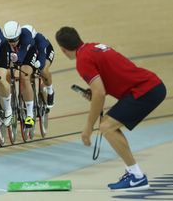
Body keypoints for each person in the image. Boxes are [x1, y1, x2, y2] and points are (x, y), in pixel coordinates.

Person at [55, 26, 166, 191]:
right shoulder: (95, 47)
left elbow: (99, 93)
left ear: (63, 50)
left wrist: (88, 127)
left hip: (144, 91)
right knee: (108, 126)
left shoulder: (82, 61)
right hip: (150, 85)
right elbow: (104, 85)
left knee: (107, 127)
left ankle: (136, 177)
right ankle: (134, 174)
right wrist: (94, 93)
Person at [2, 21, 40, 128]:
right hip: (15, 55)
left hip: (29, 54)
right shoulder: (6, 42)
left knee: (24, 77)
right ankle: (8, 107)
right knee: (7, 75)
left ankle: (29, 115)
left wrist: (16, 59)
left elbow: (22, 54)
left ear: (19, 35)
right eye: (9, 40)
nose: (12, 42)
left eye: (14, 40)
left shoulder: (26, 36)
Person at [22, 24, 55, 108]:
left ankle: (50, 91)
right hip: (33, 52)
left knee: (43, 70)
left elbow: (42, 55)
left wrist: (39, 64)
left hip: (46, 51)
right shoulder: (23, 39)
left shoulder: (40, 40)